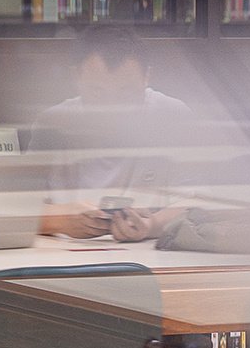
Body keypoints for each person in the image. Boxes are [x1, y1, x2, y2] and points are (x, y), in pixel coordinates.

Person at [32, 23, 194, 239]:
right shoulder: (52, 124)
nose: (112, 108)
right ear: (76, 77)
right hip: (62, 251)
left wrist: (152, 225)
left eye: (126, 93)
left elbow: (194, 204)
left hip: (149, 251)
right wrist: (59, 220)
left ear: (146, 77)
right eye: (97, 92)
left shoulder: (172, 116)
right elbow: (15, 209)